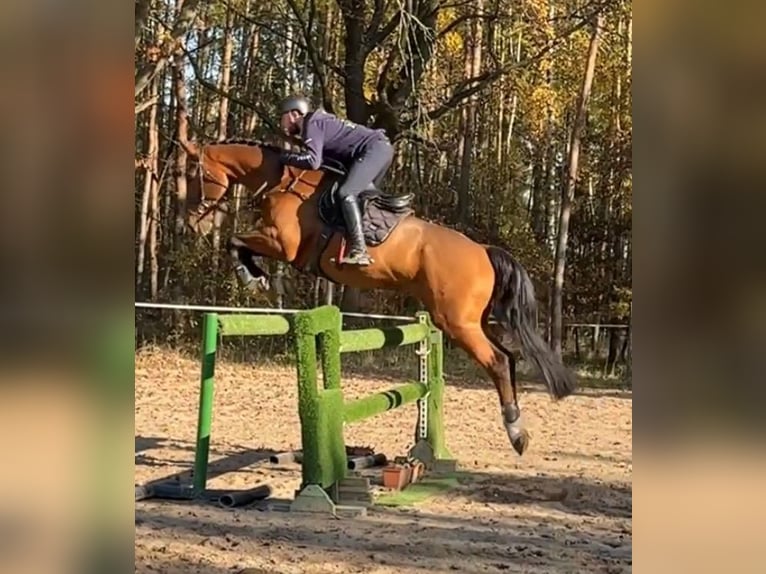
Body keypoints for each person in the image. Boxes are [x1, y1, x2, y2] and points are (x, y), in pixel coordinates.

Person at [277, 95, 394, 267]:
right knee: (360, 198)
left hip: (374, 149)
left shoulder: (311, 124)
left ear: (294, 114)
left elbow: (312, 161)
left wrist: (285, 158)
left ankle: (360, 250)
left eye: (283, 117)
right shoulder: (317, 123)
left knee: (347, 193)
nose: (282, 123)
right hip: (379, 149)